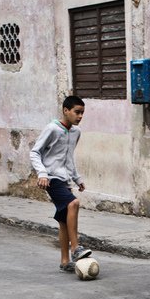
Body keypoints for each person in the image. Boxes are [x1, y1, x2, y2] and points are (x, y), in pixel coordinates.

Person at [30, 95, 93, 272]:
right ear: (66, 110)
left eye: (82, 113)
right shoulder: (52, 129)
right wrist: (42, 173)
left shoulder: (75, 132)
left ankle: (65, 262)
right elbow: (35, 152)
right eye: (77, 112)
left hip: (64, 179)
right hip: (51, 178)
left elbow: (68, 158)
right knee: (73, 203)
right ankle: (75, 248)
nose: (80, 116)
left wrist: (77, 178)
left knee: (64, 221)